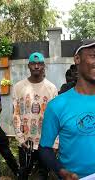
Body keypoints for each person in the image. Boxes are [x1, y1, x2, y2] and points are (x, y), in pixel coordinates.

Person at [39, 39, 95, 179]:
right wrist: (61, 171)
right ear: (77, 59)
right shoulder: (57, 105)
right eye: (94, 55)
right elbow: (44, 148)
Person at [12, 52, 58, 180]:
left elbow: (56, 118)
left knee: (42, 175)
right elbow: (16, 114)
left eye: (39, 64)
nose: (36, 66)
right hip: (26, 143)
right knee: (23, 173)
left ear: (44, 66)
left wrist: (55, 143)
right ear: (28, 66)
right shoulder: (18, 87)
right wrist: (21, 139)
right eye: (33, 64)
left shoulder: (51, 88)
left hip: (45, 143)